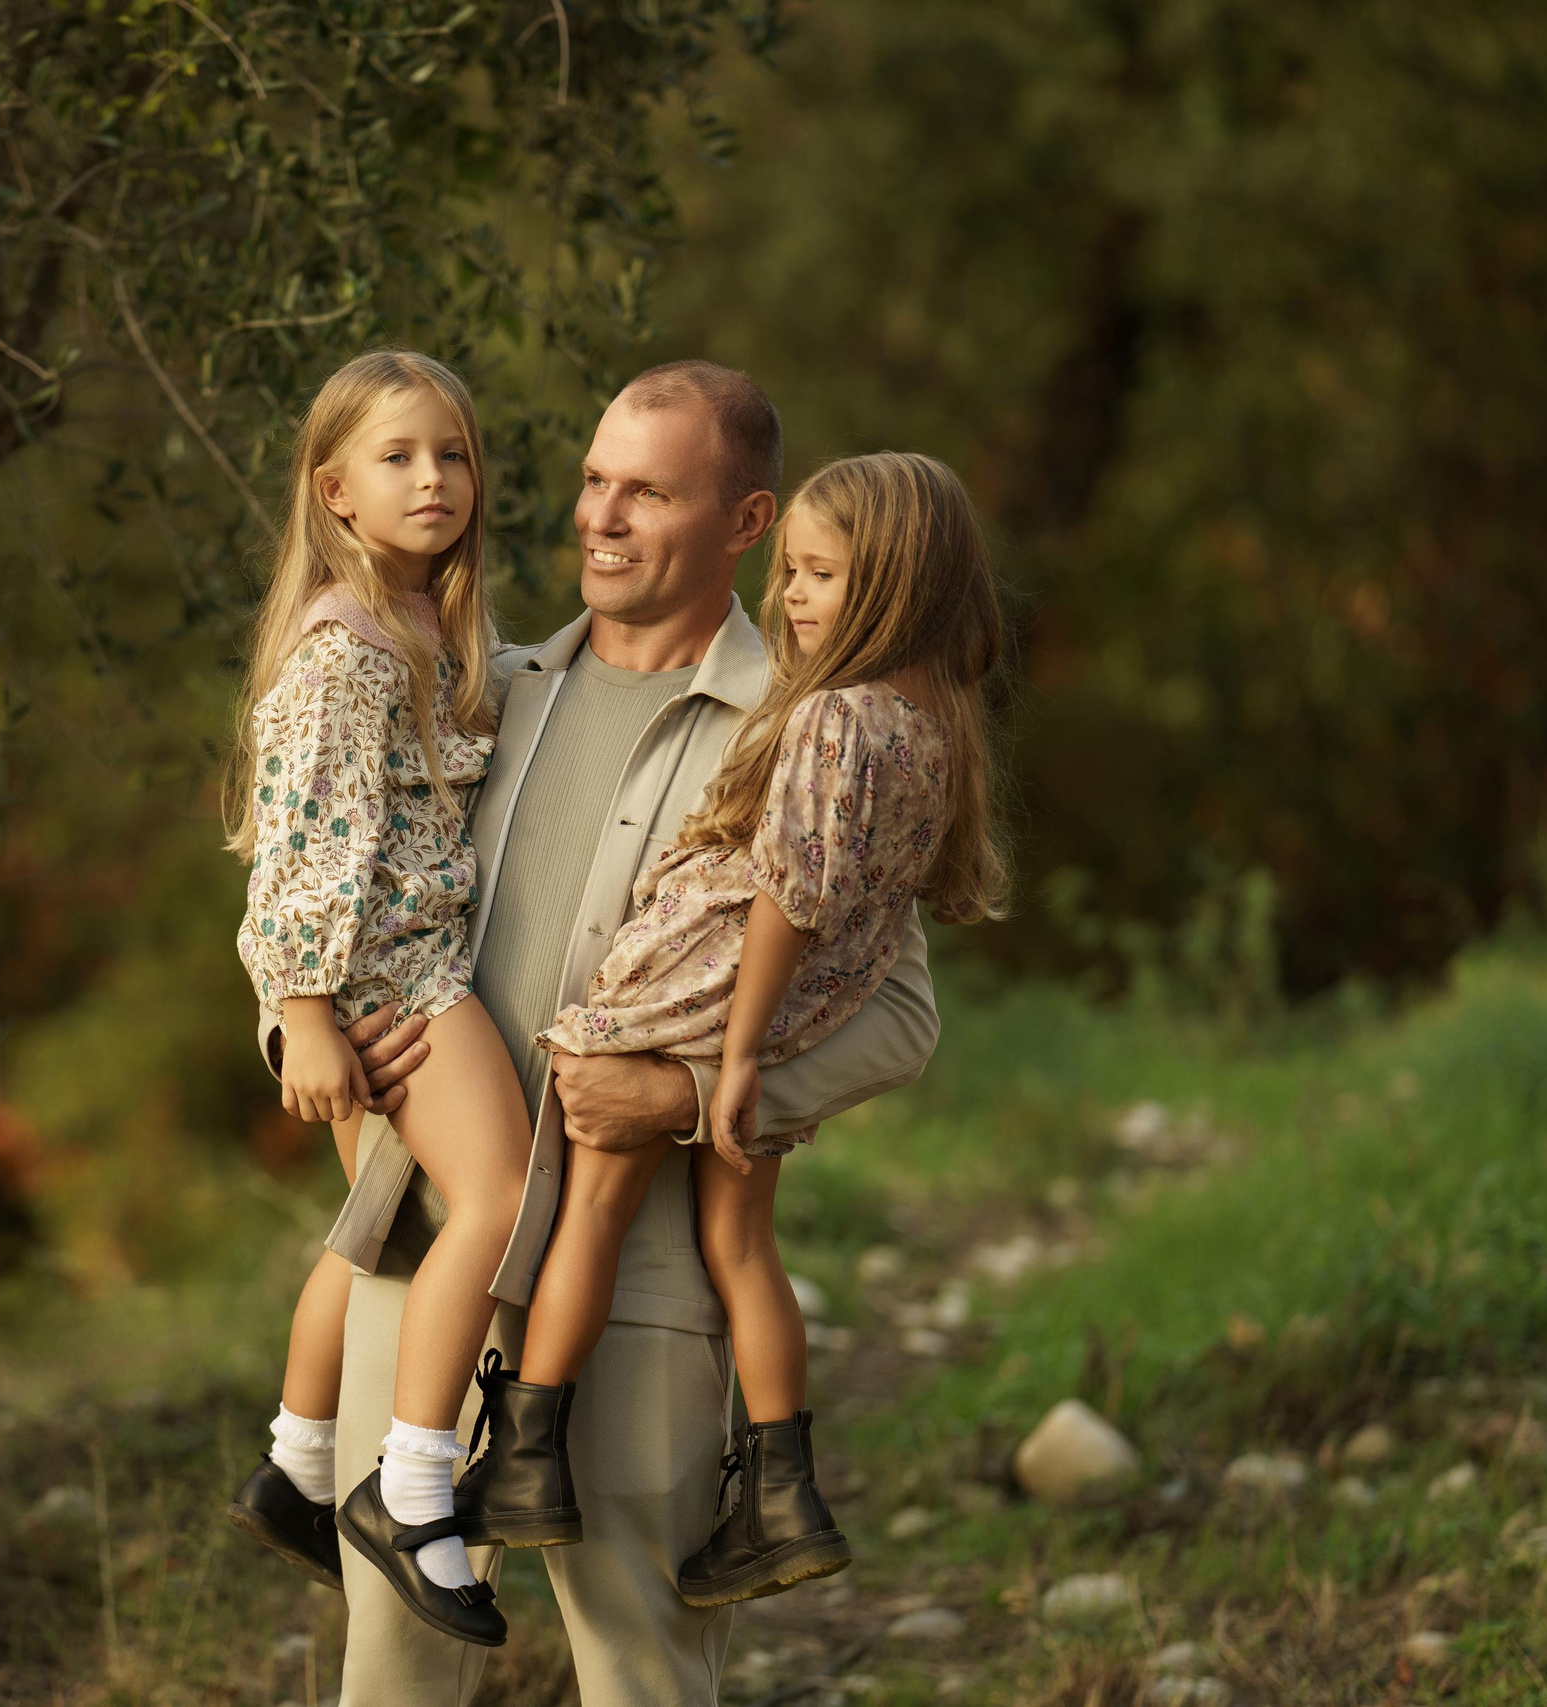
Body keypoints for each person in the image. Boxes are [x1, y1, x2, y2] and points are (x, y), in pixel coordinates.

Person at [261, 361, 944, 1704]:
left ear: (746, 522)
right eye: (592, 482)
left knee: (643, 1668)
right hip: (426, 1262)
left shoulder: (807, 732)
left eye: (649, 493)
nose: (603, 518)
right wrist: (300, 1043)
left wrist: (684, 1097)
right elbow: (313, 866)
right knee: (389, 1674)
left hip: (639, 1289)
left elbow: (903, 1017)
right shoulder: (477, 691)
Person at [455, 451, 1009, 1608]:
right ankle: (780, 1494)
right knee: (743, 1249)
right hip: (804, 1011)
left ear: (895, 584)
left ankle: (524, 1459)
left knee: (591, 1214)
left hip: (697, 996)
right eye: (791, 571)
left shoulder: (829, 719)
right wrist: (764, 1047)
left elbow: (788, 895)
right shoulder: (934, 726)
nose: (791, 596)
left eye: (820, 575)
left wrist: (736, 1049)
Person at [221, 349, 531, 1648]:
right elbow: (298, 845)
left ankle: (296, 1465)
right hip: (388, 974)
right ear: (334, 490)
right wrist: (304, 1013)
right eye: (397, 457)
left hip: (388, 964)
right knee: (502, 1198)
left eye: (452, 454)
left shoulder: (424, 625)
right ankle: (410, 1489)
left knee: (379, 1232)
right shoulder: (344, 655)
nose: (433, 478)